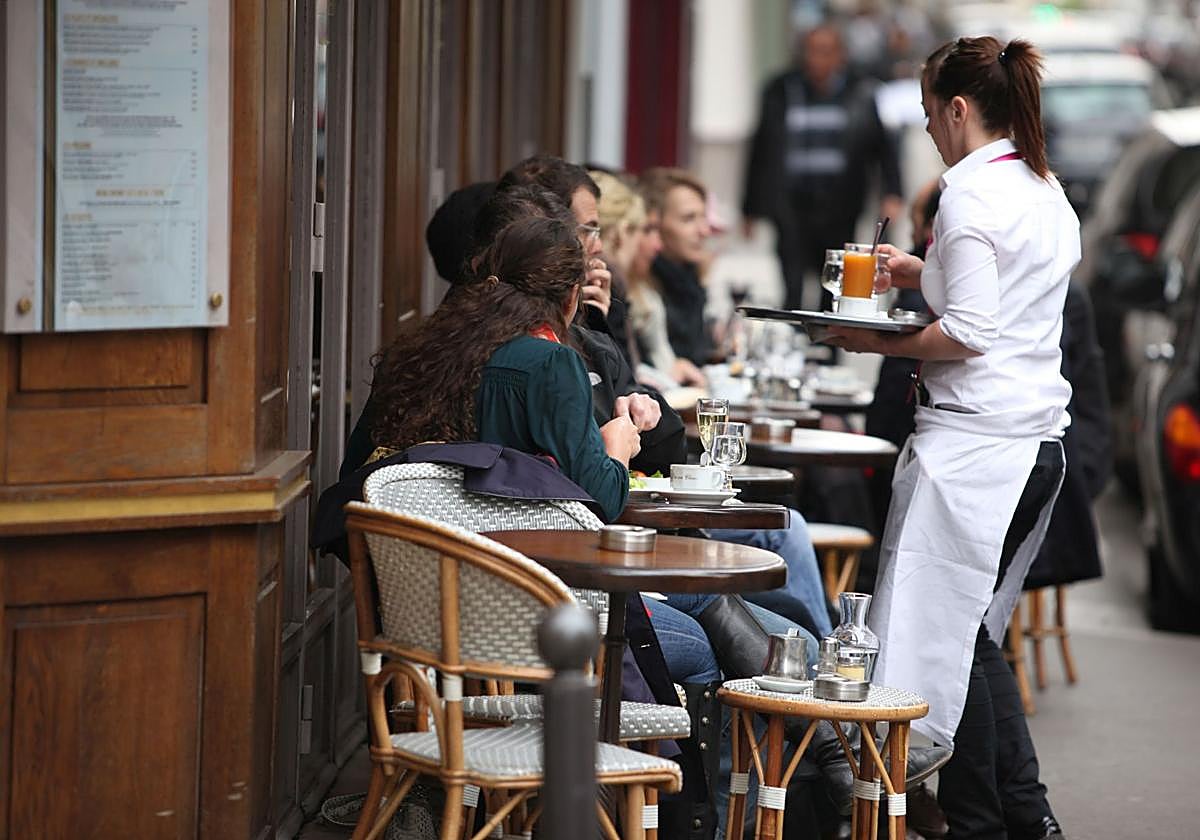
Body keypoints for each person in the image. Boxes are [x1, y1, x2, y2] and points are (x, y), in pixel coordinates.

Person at [828, 37, 1075, 840]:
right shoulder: (1039, 185)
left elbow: (969, 330)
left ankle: (984, 823)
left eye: (931, 113)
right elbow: (1004, 299)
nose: (930, 129)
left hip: (977, 451)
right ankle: (1022, 816)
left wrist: (877, 342)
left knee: (944, 645)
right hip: (1032, 443)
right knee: (967, 640)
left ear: (959, 109)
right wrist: (919, 272)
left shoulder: (968, 197)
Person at [742, 22, 904, 311]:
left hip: (840, 202)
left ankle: (825, 335)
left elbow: (882, 147)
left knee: (831, 280)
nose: (816, 59)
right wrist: (750, 208)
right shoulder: (782, 90)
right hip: (791, 202)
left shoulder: (860, 91)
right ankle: (793, 333)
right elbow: (761, 148)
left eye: (825, 51)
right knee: (792, 278)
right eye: (811, 51)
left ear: (840, 55)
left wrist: (892, 192)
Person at [591, 169, 706, 387]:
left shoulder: (686, 282)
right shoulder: (608, 285)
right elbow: (620, 382)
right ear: (620, 233)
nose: (704, 230)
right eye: (688, 218)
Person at [641, 167, 718, 367]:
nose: (704, 231)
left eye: (703, 217)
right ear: (654, 224)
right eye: (688, 218)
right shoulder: (639, 290)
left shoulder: (689, 278)